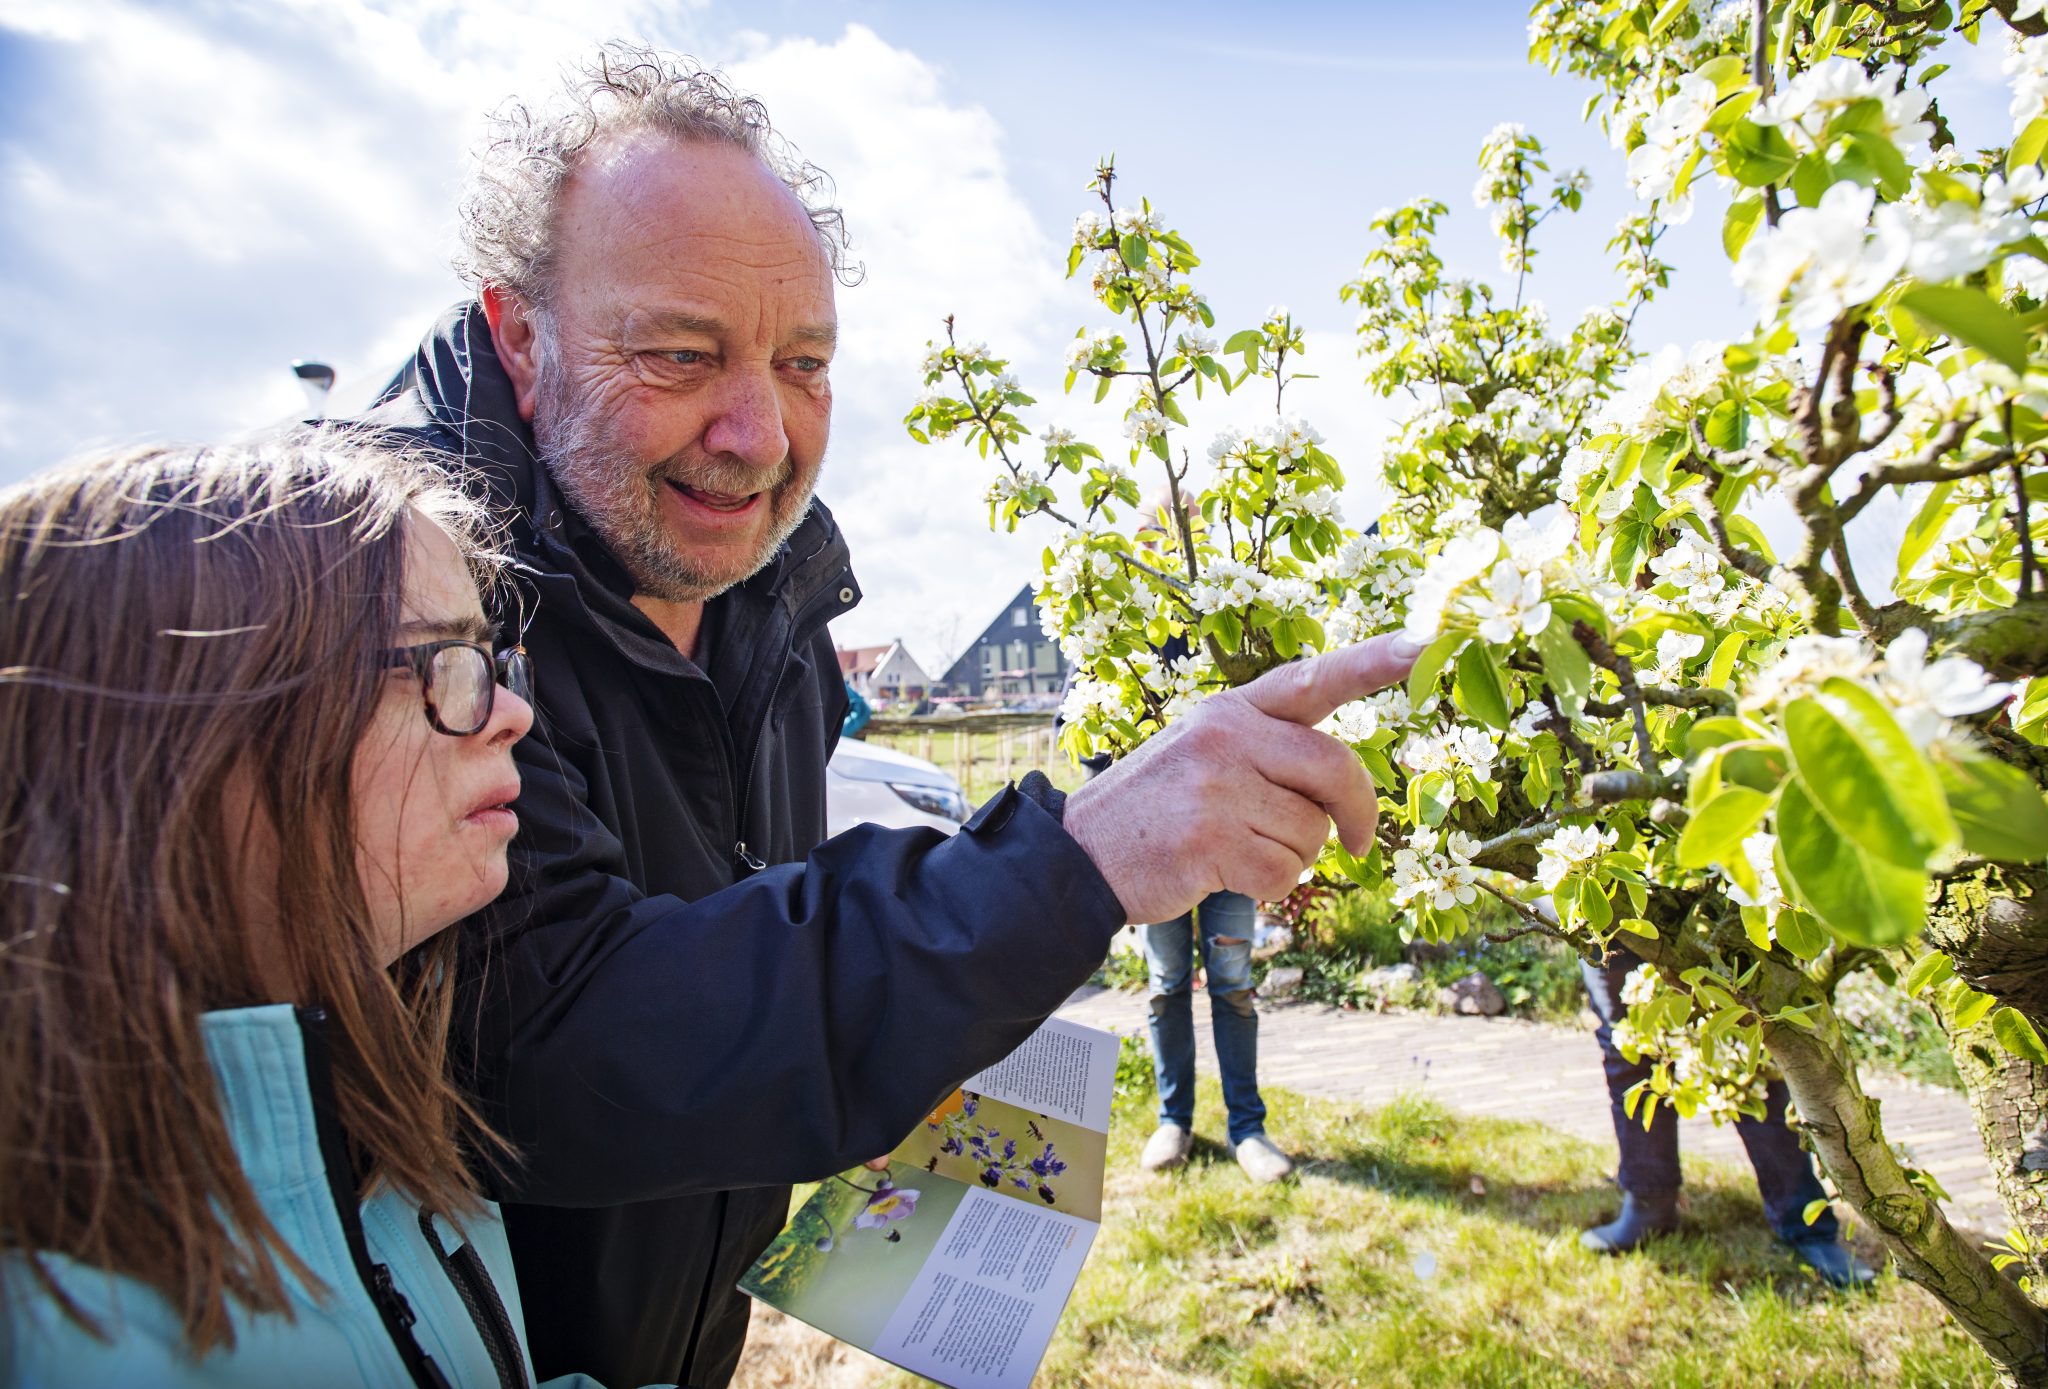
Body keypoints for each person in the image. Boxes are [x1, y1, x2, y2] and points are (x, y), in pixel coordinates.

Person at [357, 43, 1418, 1388]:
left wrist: (913, 1037)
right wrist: (1071, 865)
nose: (758, 431)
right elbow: (555, 1046)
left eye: (805, 362)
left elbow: (758, 933)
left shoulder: (768, 587)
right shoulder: (386, 585)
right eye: (684, 354)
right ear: (520, 333)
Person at [0, 438, 619, 1386]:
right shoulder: (53, 1331)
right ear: (192, 736)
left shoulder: (371, 1123)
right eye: (446, 661)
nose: (509, 713)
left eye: (495, 660)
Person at [1581, 948, 1876, 1287]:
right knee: (1628, 1049)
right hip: (1606, 922)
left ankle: (1806, 1225)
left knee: (1743, 1042)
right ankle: (1649, 1201)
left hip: (1698, 912)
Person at [1138, 889, 1292, 1182]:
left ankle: (1247, 1131)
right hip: (1160, 861)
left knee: (1234, 990)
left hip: (1231, 863)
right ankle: (1173, 1122)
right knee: (1165, 991)